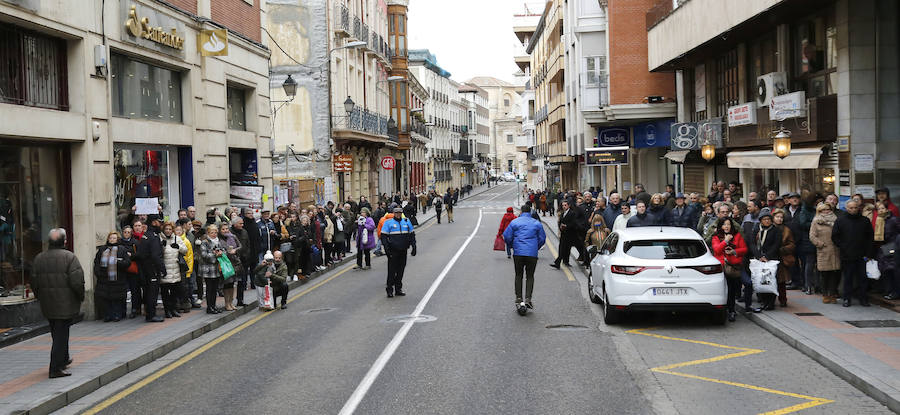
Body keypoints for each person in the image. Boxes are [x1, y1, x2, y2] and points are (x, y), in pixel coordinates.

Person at [31, 228, 85, 378]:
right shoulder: (70, 257)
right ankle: (55, 368)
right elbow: (77, 282)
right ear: (64, 241)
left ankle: (63, 359)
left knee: (57, 333)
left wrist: (40, 296)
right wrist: (80, 296)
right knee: (61, 336)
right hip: (65, 304)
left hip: (47, 303)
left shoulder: (39, 258)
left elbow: (34, 281)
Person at [832, 200, 875, 307]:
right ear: (847, 208)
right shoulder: (840, 220)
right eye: (851, 208)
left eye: (855, 207)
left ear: (858, 208)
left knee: (863, 278)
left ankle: (863, 298)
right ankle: (847, 298)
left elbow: (870, 238)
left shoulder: (865, 221)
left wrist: (868, 253)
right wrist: (843, 247)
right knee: (848, 278)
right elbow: (835, 236)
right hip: (847, 254)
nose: (853, 210)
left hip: (862, 255)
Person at [503, 205, 546, 310]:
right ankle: (528, 299)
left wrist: (512, 246)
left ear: (521, 212)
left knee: (519, 275)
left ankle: (519, 298)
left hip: (518, 253)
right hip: (532, 254)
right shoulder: (536, 223)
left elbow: (507, 236)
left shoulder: (514, 222)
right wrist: (536, 247)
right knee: (530, 276)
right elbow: (542, 238)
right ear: (530, 212)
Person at [712, 218, 747, 322]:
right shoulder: (716, 237)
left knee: (732, 290)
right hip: (721, 267)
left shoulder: (737, 235)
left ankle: (732, 310)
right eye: (724, 224)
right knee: (723, 290)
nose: (726, 226)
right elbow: (717, 250)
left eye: (728, 224)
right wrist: (725, 241)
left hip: (733, 267)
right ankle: (724, 309)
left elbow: (744, 249)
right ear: (720, 226)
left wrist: (734, 251)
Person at [93, 232, 130, 322]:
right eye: (110, 238)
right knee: (106, 298)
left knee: (116, 298)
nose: (112, 240)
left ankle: (117, 315)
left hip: (118, 278)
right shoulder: (102, 249)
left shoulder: (122, 249)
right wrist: (98, 273)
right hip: (104, 278)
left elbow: (127, 262)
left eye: (114, 238)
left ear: (117, 239)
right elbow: (97, 262)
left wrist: (118, 262)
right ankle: (107, 315)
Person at [381, 207, 417, 297]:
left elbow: (412, 235)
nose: (398, 214)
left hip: (403, 250)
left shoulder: (406, 221)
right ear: (394, 213)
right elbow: (384, 237)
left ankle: (398, 289)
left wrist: (414, 247)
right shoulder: (388, 222)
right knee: (392, 271)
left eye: (400, 213)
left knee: (401, 271)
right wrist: (387, 250)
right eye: (396, 213)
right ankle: (389, 289)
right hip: (393, 251)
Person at [809, 203, 841, 304]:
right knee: (825, 274)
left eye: (828, 209)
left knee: (834, 274)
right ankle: (825, 294)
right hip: (823, 250)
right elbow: (812, 236)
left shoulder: (836, 219)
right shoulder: (816, 221)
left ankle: (832, 294)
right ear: (819, 211)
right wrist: (820, 244)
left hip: (835, 250)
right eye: (823, 210)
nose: (826, 211)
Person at [751, 210, 782, 311]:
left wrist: (767, 256)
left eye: (768, 219)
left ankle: (770, 303)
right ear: (761, 221)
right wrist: (759, 255)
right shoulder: (756, 229)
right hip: (759, 259)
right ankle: (763, 301)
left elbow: (776, 244)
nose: (767, 221)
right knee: (760, 280)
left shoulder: (775, 230)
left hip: (771, 259)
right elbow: (752, 243)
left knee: (770, 280)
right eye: (764, 219)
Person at [137, 215, 166, 322]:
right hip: (152, 268)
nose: (161, 225)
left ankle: (149, 313)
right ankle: (151, 315)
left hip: (145, 268)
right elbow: (155, 255)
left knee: (148, 291)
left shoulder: (146, 235)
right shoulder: (153, 237)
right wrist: (162, 268)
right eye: (159, 222)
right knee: (152, 293)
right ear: (154, 222)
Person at [551, 200, 589, 269]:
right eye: (563, 205)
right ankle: (562, 262)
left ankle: (559, 262)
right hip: (563, 234)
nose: (564, 207)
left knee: (567, 248)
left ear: (568, 206)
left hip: (570, 234)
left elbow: (574, 223)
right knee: (563, 249)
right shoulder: (563, 213)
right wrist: (560, 227)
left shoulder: (572, 213)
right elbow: (560, 222)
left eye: (565, 205)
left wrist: (566, 226)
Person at [198, 225, 225, 314]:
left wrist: (221, 253)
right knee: (209, 288)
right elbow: (204, 255)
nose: (214, 234)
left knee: (215, 289)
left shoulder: (218, 241)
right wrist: (215, 255)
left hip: (216, 268)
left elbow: (223, 251)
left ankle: (213, 305)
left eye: (215, 232)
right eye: (212, 233)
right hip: (208, 269)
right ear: (208, 233)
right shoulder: (204, 242)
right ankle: (209, 307)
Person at [772, 209, 795, 308]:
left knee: (781, 281)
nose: (779, 219)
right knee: (771, 279)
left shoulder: (786, 230)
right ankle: (770, 300)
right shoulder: (770, 228)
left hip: (782, 257)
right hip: (771, 257)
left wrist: (783, 249)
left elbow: (792, 244)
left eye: (781, 217)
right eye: (777, 217)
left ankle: (783, 299)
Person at [119, 225, 142, 319]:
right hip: (122, 269)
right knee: (122, 290)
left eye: (128, 232)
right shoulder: (119, 242)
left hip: (132, 269)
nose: (126, 234)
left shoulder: (135, 242)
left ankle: (135, 309)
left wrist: (131, 255)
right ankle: (122, 310)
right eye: (125, 232)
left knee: (134, 290)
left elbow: (139, 254)